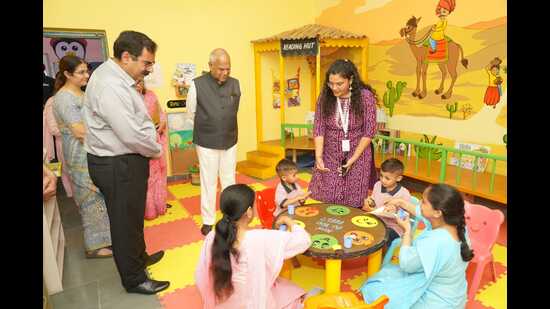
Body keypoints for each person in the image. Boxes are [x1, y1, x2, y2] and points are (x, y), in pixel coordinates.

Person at [82, 31, 169, 295]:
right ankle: (133, 279)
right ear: (127, 57)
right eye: (146, 63)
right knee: (123, 222)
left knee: (132, 217)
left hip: (126, 160)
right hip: (117, 163)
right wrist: (156, 149)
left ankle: (139, 258)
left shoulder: (120, 78)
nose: (149, 68)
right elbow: (130, 134)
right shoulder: (111, 85)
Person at [195, 184, 312, 308]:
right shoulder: (260, 238)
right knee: (293, 293)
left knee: (282, 288)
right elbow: (304, 240)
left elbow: (200, 276)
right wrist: (290, 222)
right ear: (249, 211)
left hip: (222, 302)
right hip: (254, 302)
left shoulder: (213, 236)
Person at [360, 183, 474, 308]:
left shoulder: (435, 242)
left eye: (424, 202)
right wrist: (400, 202)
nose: (419, 203)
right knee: (387, 275)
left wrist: (407, 231)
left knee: (375, 289)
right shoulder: (457, 226)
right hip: (456, 297)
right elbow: (421, 212)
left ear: (437, 213)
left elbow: (406, 264)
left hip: (436, 302)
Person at [52, 55, 113, 259]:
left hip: (92, 150)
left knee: (99, 195)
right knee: (89, 197)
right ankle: (94, 246)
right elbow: (79, 131)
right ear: (67, 74)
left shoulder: (80, 92)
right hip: (79, 153)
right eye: (81, 72)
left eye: (87, 71)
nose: (86, 75)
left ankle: (106, 239)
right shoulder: (63, 98)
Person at [308, 59, 378, 209]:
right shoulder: (325, 97)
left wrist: (353, 159)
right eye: (331, 83)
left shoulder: (365, 97)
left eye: (339, 84)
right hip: (330, 154)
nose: (334, 88)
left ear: (350, 80)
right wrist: (318, 156)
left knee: (354, 197)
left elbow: (369, 131)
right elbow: (319, 127)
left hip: (358, 155)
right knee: (328, 194)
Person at [186, 48, 241, 236]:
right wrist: (207, 128)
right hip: (206, 140)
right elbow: (190, 114)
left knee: (229, 180)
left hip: (230, 139)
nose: (225, 73)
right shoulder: (197, 85)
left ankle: (231, 217)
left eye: (228, 69)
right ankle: (208, 220)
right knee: (208, 181)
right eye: (220, 69)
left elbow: (234, 110)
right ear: (210, 66)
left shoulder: (235, 84)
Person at [135, 79, 169, 220]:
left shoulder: (151, 95)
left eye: (140, 81)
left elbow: (160, 113)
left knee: (159, 175)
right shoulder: (126, 99)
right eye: (134, 82)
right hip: (140, 144)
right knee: (146, 178)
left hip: (156, 140)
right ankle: (148, 211)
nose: (138, 84)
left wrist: (162, 123)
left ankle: (160, 206)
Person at [363, 158, 411, 246]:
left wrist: (395, 211)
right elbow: (373, 202)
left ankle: (380, 255)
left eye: (387, 178)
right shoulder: (377, 185)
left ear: (399, 178)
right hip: (376, 221)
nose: (383, 180)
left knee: (381, 237)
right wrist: (369, 203)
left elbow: (405, 216)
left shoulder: (404, 193)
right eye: (381, 176)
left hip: (394, 227)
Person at [44, 96, 74, 197]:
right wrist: (74, 129)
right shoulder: (52, 102)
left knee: (60, 169)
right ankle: (68, 193)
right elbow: (53, 128)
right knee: (60, 168)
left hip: (58, 141)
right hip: (57, 142)